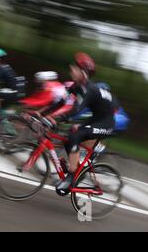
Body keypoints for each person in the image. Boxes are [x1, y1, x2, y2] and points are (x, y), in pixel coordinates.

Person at [55, 52, 116, 193]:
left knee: (75, 136)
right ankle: (76, 168)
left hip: (106, 123)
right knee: (68, 135)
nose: (71, 69)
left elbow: (77, 109)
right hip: (96, 119)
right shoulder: (76, 86)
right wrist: (43, 114)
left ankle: (71, 177)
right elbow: (60, 102)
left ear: (83, 72)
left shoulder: (89, 88)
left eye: (74, 68)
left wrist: (60, 119)